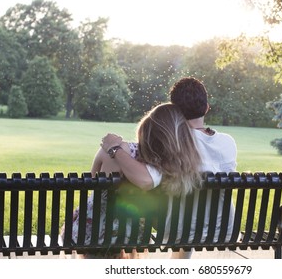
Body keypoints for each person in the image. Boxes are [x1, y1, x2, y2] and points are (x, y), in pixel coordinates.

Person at [102, 77, 238, 259]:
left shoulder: (174, 143)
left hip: (178, 229)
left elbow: (146, 180)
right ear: (206, 108)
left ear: (173, 111)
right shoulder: (228, 142)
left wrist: (115, 149)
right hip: (223, 229)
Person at [68, 103, 203, 258]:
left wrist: (114, 150)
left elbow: (92, 184)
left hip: (90, 234)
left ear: (146, 129)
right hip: (133, 237)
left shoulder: (116, 152)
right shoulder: (172, 166)